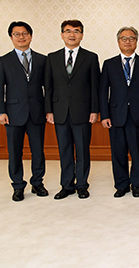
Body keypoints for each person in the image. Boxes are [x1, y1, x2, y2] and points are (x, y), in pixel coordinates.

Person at [45, 20, 100, 200]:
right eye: (68, 31)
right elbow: (48, 86)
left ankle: (82, 185)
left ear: (82, 35)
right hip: (59, 112)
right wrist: (49, 110)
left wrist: (94, 110)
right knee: (65, 150)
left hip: (83, 112)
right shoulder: (52, 58)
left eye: (76, 31)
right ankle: (67, 185)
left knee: (83, 150)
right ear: (61, 35)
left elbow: (95, 86)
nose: (72, 34)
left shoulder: (91, 57)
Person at [0, 21, 48, 202]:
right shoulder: (3, 60)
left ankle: (37, 182)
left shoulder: (42, 59)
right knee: (15, 152)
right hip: (13, 114)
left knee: (38, 151)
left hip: (37, 113)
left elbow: (48, 88)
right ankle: (18, 186)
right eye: (17, 34)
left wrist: (49, 110)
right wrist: (0, 111)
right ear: (11, 37)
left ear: (31, 36)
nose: (21, 37)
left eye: (24, 33)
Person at [100, 27, 139, 198]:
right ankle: (121, 184)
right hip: (115, 116)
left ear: (136, 41)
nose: (128, 41)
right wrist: (105, 115)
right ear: (118, 42)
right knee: (118, 152)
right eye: (124, 38)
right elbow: (103, 92)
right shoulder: (109, 64)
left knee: (138, 152)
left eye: (131, 38)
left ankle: (137, 184)